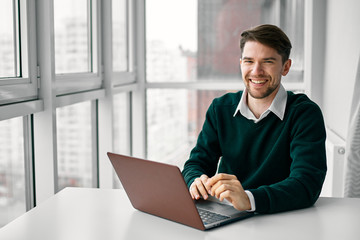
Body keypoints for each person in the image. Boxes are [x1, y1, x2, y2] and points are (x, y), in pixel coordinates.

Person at [182, 24, 327, 214]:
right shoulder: (220, 109)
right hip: (225, 215)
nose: (256, 71)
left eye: (267, 61)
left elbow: (306, 184)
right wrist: (196, 180)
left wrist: (249, 199)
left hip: (282, 218)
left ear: (286, 67)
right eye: (249, 61)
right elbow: (195, 164)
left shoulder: (304, 114)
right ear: (241, 63)